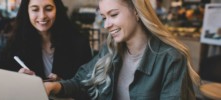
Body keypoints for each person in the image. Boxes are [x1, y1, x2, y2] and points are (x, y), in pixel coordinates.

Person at [44, 0, 201, 100]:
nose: (106, 25)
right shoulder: (111, 50)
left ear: (136, 11)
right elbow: (81, 82)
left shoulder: (171, 58)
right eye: (104, 18)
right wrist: (56, 87)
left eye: (113, 15)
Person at [0, 0, 92, 92]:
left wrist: (61, 85)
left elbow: (89, 87)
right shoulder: (19, 42)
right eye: (35, 9)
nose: (42, 16)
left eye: (48, 9)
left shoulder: (78, 44)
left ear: (57, 10)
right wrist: (16, 78)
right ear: (27, 12)